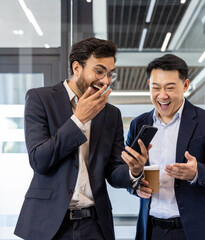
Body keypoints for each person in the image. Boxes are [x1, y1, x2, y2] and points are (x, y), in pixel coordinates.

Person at [14, 37, 147, 240]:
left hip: (95, 224)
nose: (106, 81)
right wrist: (78, 119)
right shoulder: (40, 99)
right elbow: (39, 160)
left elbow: (113, 170)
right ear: (77, 68)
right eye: (99, 71)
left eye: (110, 74)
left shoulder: (111, 114)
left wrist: (133, 171)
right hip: (50, 225)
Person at [123, 54, 205, 240]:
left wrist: (197, 172)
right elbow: (127, 174)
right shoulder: (139, 124)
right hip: (151, 230)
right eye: (156, 88)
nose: (162, 96)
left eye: (170, 88)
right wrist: (135, 180)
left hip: (195, 230)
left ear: (185, 86)